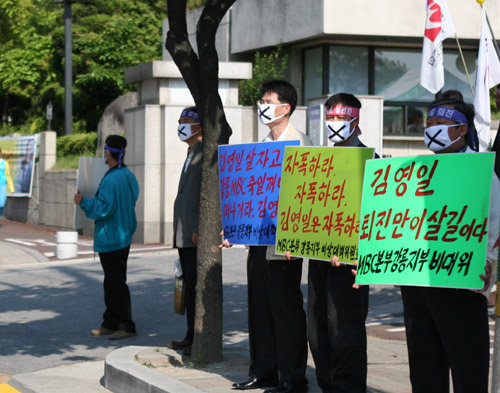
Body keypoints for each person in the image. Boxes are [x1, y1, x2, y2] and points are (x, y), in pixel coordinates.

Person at [400, 98, 499, 393]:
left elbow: (493, 222)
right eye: (429, 124)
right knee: (424, 366)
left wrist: (489, 263)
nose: (432, 130)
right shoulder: (412, 171)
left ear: (462, 130)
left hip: (460, 283)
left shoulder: (481, 171)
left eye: (441, 125)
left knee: (467, 364)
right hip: (417, 281)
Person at [231, 80, 312, 393]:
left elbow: (307, 197)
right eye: (261, 101)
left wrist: (296, 237)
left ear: (286, 107)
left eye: (268, 101)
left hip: (285, 242)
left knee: (285, 309)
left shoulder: (302, 144)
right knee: (259, 307)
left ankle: (293, 378)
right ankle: (263, 372)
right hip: (257, 238)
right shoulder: (260, 146)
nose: (262, 106)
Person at [308, 93, 374, 393]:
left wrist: (362, 255)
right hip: (319, 258)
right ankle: (328, 385)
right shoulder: (318, 160)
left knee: (344, 330)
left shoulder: (371, 161)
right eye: (331, 118)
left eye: (341, 118)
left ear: (356, 121)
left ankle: (348, 389)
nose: (334, 123)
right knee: (318, 327)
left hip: (350, 264)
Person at [74, 135, 139, 340]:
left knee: (115, 282)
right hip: (123, 234)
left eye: (105, 151)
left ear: (108, 153)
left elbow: (103, 209)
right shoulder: (128, 175)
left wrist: (83, 202)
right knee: (112, 281)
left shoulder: (111, 178)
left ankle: (125, 325)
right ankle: (110, 322)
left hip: (111, 237)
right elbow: (131, 198)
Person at [168, 107, 203, 357]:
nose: (182, 125)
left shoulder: (203, 154)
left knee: (194, 287)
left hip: (193, 233)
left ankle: (196, 337)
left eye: (187, 121)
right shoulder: (191, 152)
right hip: (183, 233)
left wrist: (198, 226)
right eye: (180, 120)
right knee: (188, 286)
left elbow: (205, 194)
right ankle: (190, 335)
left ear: (200, 125)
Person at [0, 149, 14, 220]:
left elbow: (8, 175)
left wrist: (11, 188)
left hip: (2, 185)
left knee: (2, 204)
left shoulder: (4, 163)